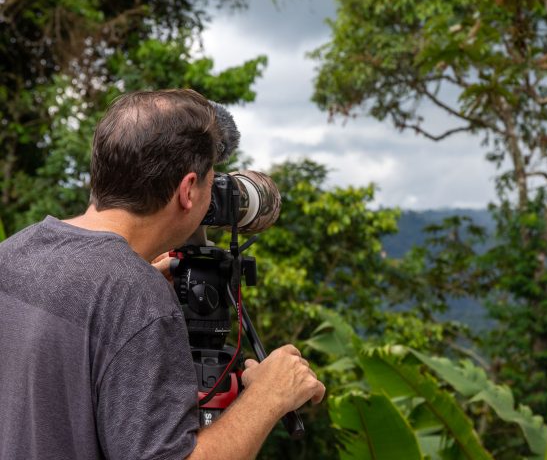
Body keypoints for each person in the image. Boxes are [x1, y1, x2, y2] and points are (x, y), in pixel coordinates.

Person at [0, 89, 325, 460]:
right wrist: (268, 397)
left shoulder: (13, 253)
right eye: (211, 181)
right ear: (188, 190)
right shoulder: (136, 295)